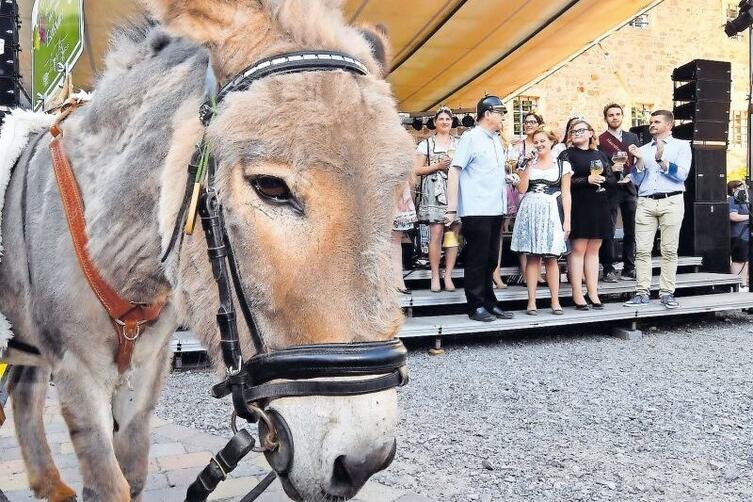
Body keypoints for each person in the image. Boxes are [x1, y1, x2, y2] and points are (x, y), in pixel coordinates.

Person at [445, 95, 514, 322]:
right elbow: (455, 170)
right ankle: (475, 305)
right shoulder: (471, 138)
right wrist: (452, 208)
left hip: (495, 206)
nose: (503, 117)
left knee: (492, 258)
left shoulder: (495, 139)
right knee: (477, 257)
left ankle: (489, 301)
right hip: (477, 207)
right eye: (500, 112)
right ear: (487, 114)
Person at [624, 110, 692, 309]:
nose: (652, 124)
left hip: (671, 200)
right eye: (651, 121)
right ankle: (642, 292)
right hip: (645, 201)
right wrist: (637, 161)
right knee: (642, 250)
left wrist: (662, 160)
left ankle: (667, 293)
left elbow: (682, 175)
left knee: (669, 250)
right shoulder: (643, 149)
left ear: (669, 125)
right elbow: (636, 180)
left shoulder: (681, 146)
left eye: (656, 122)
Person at [511, 129, 572, 315]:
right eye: (536, 142)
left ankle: (555, 300)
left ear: (551, 141)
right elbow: (521, 189)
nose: (539, 144)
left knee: (552, 257)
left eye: (542, 141)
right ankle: (531, 301)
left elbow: (566, 193)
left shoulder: (563, 165)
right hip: (530, 208)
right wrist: (523, 168)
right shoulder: (530, 164)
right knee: (532, 256)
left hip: (552, 210)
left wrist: (567, 220)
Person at [564, 119, 616, 310]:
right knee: (578, 249)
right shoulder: (566, 154)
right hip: (578, 205)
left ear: (590, 133)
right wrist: (587, 179)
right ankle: (577, 293)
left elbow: (611, 179)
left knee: (594, 250)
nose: (576, 133)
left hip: (599, 204)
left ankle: (593, 292)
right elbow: (564, 182)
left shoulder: (600, 154)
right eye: (573, 131)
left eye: (580, 130)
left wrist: (609, 176)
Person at [414, 107, 459, 292]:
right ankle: (434, 275)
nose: (444, 122)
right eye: (441, 119)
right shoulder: (426, 144)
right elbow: (417, 170)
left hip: (454, 190)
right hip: (433, 190)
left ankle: (448, 275)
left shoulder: (459, 143)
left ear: (452, 122)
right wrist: (437, 166)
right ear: (435, 122)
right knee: (436, 233)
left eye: (447, 119)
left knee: (453, 234)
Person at [502, 111, 547, 287]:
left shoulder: (543, 143)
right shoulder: (517, 146)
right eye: (526, 122)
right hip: (521, 190)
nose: (528, 125)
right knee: (523, 231)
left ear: (539, 124)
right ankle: (525, 271)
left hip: (540, 190)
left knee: (538, 230)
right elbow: (510, 166)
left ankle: (538, 271)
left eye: (532, 122)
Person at [598, 103, 641, 283]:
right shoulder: (601, 139)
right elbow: (597, 166)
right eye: (611, 115)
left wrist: (632, 175)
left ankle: (629, 267)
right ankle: (608, 268)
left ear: (622, 116)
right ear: (606, 118)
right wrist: (611, 170)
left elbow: (640, 162)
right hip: (610, 188)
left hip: (629, 187)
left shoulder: (632, 137)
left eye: (617, 114)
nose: (614, 117)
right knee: (608, 229)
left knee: (632, 229)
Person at [392, 180, 417, 294]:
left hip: (395, 194)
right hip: (386, 193)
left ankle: (397, 281)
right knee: (393, 242)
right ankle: (396, 282)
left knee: (394, 241)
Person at [728, 180, 749, 291]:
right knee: (738, 260)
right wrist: (749, 217)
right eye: (741, 188)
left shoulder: (744, 201)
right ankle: (735, 284)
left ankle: (743, 285)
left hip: (746, 235)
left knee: (745, 261)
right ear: (734, 189)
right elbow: (733, 216)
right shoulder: (732, 200)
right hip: (738, 236)